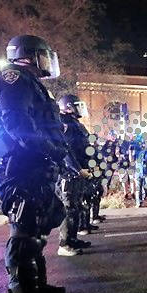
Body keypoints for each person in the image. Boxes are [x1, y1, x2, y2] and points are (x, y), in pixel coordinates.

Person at [0, 34, 71, 293]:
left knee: (37, 230)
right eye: (43, 56)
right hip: (20, 168)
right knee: (23, 234)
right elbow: (17, 123)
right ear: (29, 55)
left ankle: (36, 288)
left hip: (33, 166)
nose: (46, 62)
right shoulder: (13, 78)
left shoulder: (29, 82)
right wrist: (48, 149)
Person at [56, 94, 93, 255]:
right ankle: (64, 244)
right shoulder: (64, 123)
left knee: (76, 206)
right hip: (69, 173)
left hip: (78, 172)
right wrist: (77, 169)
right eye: (77, 105)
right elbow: (66, 150)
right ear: (69, 107)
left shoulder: (74, 124)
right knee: (69, 208)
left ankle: (72, 238)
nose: (80, 109)